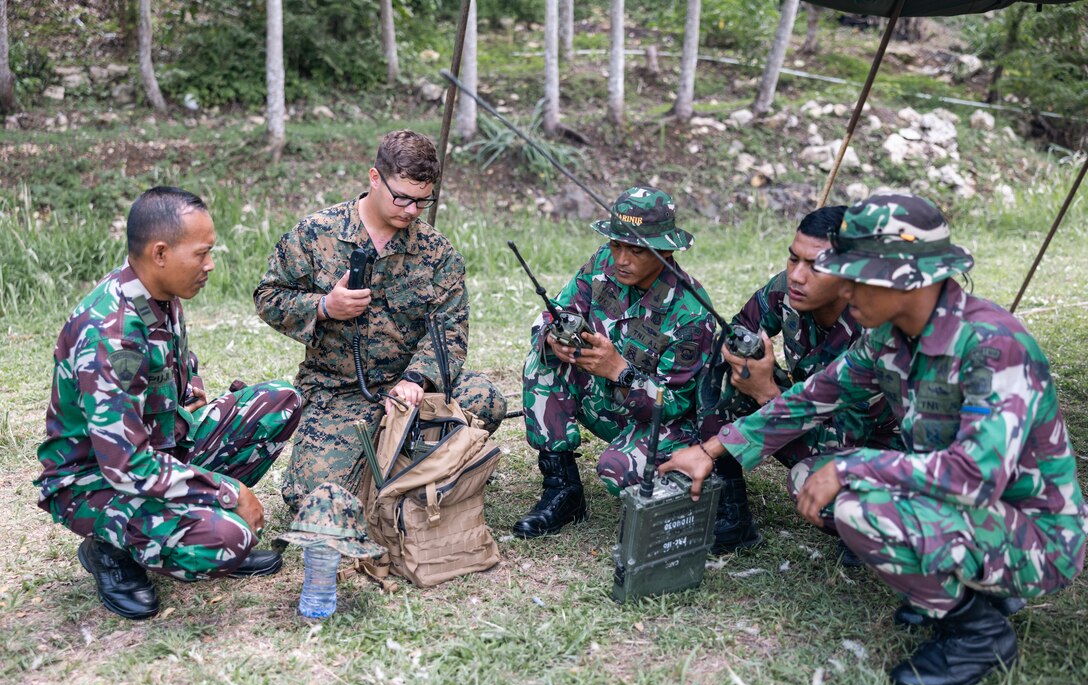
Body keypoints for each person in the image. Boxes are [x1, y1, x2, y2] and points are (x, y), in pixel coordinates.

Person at [661, 192, 1087, 685]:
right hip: (967, 509)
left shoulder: (994, 346)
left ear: (906, 279)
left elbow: (974, 476)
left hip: (1037, 538)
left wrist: (849, 467)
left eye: (855, 277)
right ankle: (967, 591)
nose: (842, 289)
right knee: (853, 498)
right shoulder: (888, 337)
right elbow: (810, 398)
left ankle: (978, 632)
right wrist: (711, 450)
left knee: (861, 508)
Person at [34, 186, 303, 621]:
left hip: (162, 447)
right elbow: (125, 465)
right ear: (160, 252)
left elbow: (178, 358)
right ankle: (109, 549)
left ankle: (180, 524)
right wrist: (226, 491)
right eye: (202, 254)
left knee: (279, 403)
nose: (210, 265)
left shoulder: (160, 294)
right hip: (95, 481)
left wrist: (189, 385)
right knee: (229, 538)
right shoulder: (111, 332)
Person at [254, 130, 506, 509]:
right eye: (401, 197)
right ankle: (399, 462)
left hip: (408, 392)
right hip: (339, 390)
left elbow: (450, 330)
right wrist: (325, 307)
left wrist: (416, 378)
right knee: (311, 498)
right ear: (375, 178)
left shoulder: (437, 253)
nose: (410, 210)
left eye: (423, 201)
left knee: (486, 400)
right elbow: (269, 297)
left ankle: (397, 458)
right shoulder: (316, 233)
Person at [515, 185, 715, 538]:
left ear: (665, 250)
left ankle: (693, 485)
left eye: (636, 250)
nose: (622, 259)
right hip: (611, 404)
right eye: (617, 244)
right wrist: (551, 337)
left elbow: (676, 405)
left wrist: (619, 371)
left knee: (616, 469)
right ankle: (562, 490)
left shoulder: (691, 313)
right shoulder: (602, 265)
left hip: (667, 423)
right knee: (542, 364)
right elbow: (557, 313)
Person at [704, 206, 900, 555]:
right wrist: (742, 356)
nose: (797, 275)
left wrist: (766, 393)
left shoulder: (876, 333)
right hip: (812, 408)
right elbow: (740, 330)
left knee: (810, 480)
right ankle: (729, 514)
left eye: (816, 266)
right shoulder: (787, 290)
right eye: (793, 259)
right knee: (722, 376)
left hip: (878, 448)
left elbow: (845, 440)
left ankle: (872, 530)